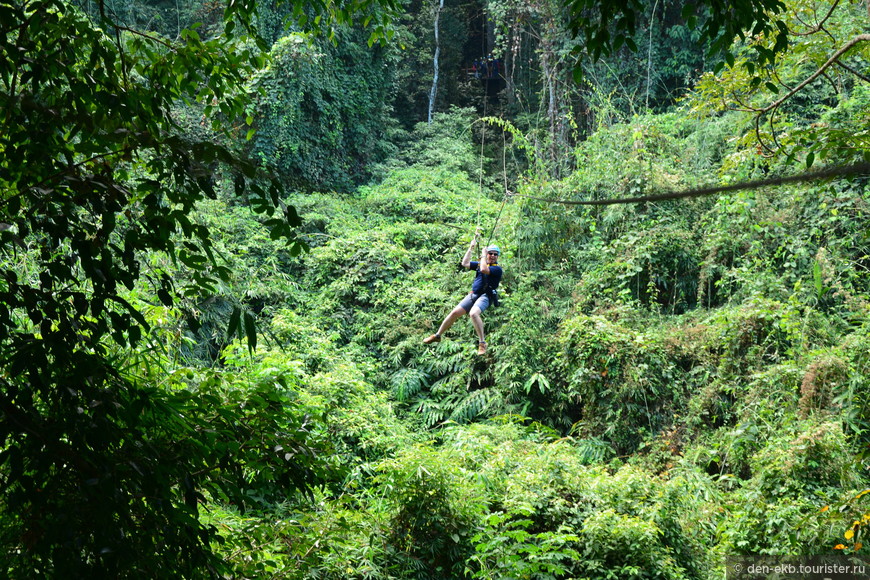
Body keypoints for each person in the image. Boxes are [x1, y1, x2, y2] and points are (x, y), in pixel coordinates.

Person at [423, 232, 503, 355]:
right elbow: (465, 263)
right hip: (474, 294)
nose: (492, 256)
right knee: (454, 312)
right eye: (490, 253)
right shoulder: (480, 263)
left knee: (473, 313)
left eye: (495, 254)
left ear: (497, 257)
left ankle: (482, 343)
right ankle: (438, 335)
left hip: (486, 296)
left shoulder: (497, 269)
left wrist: (482, 255)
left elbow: (483, 269)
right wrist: (471, 248)